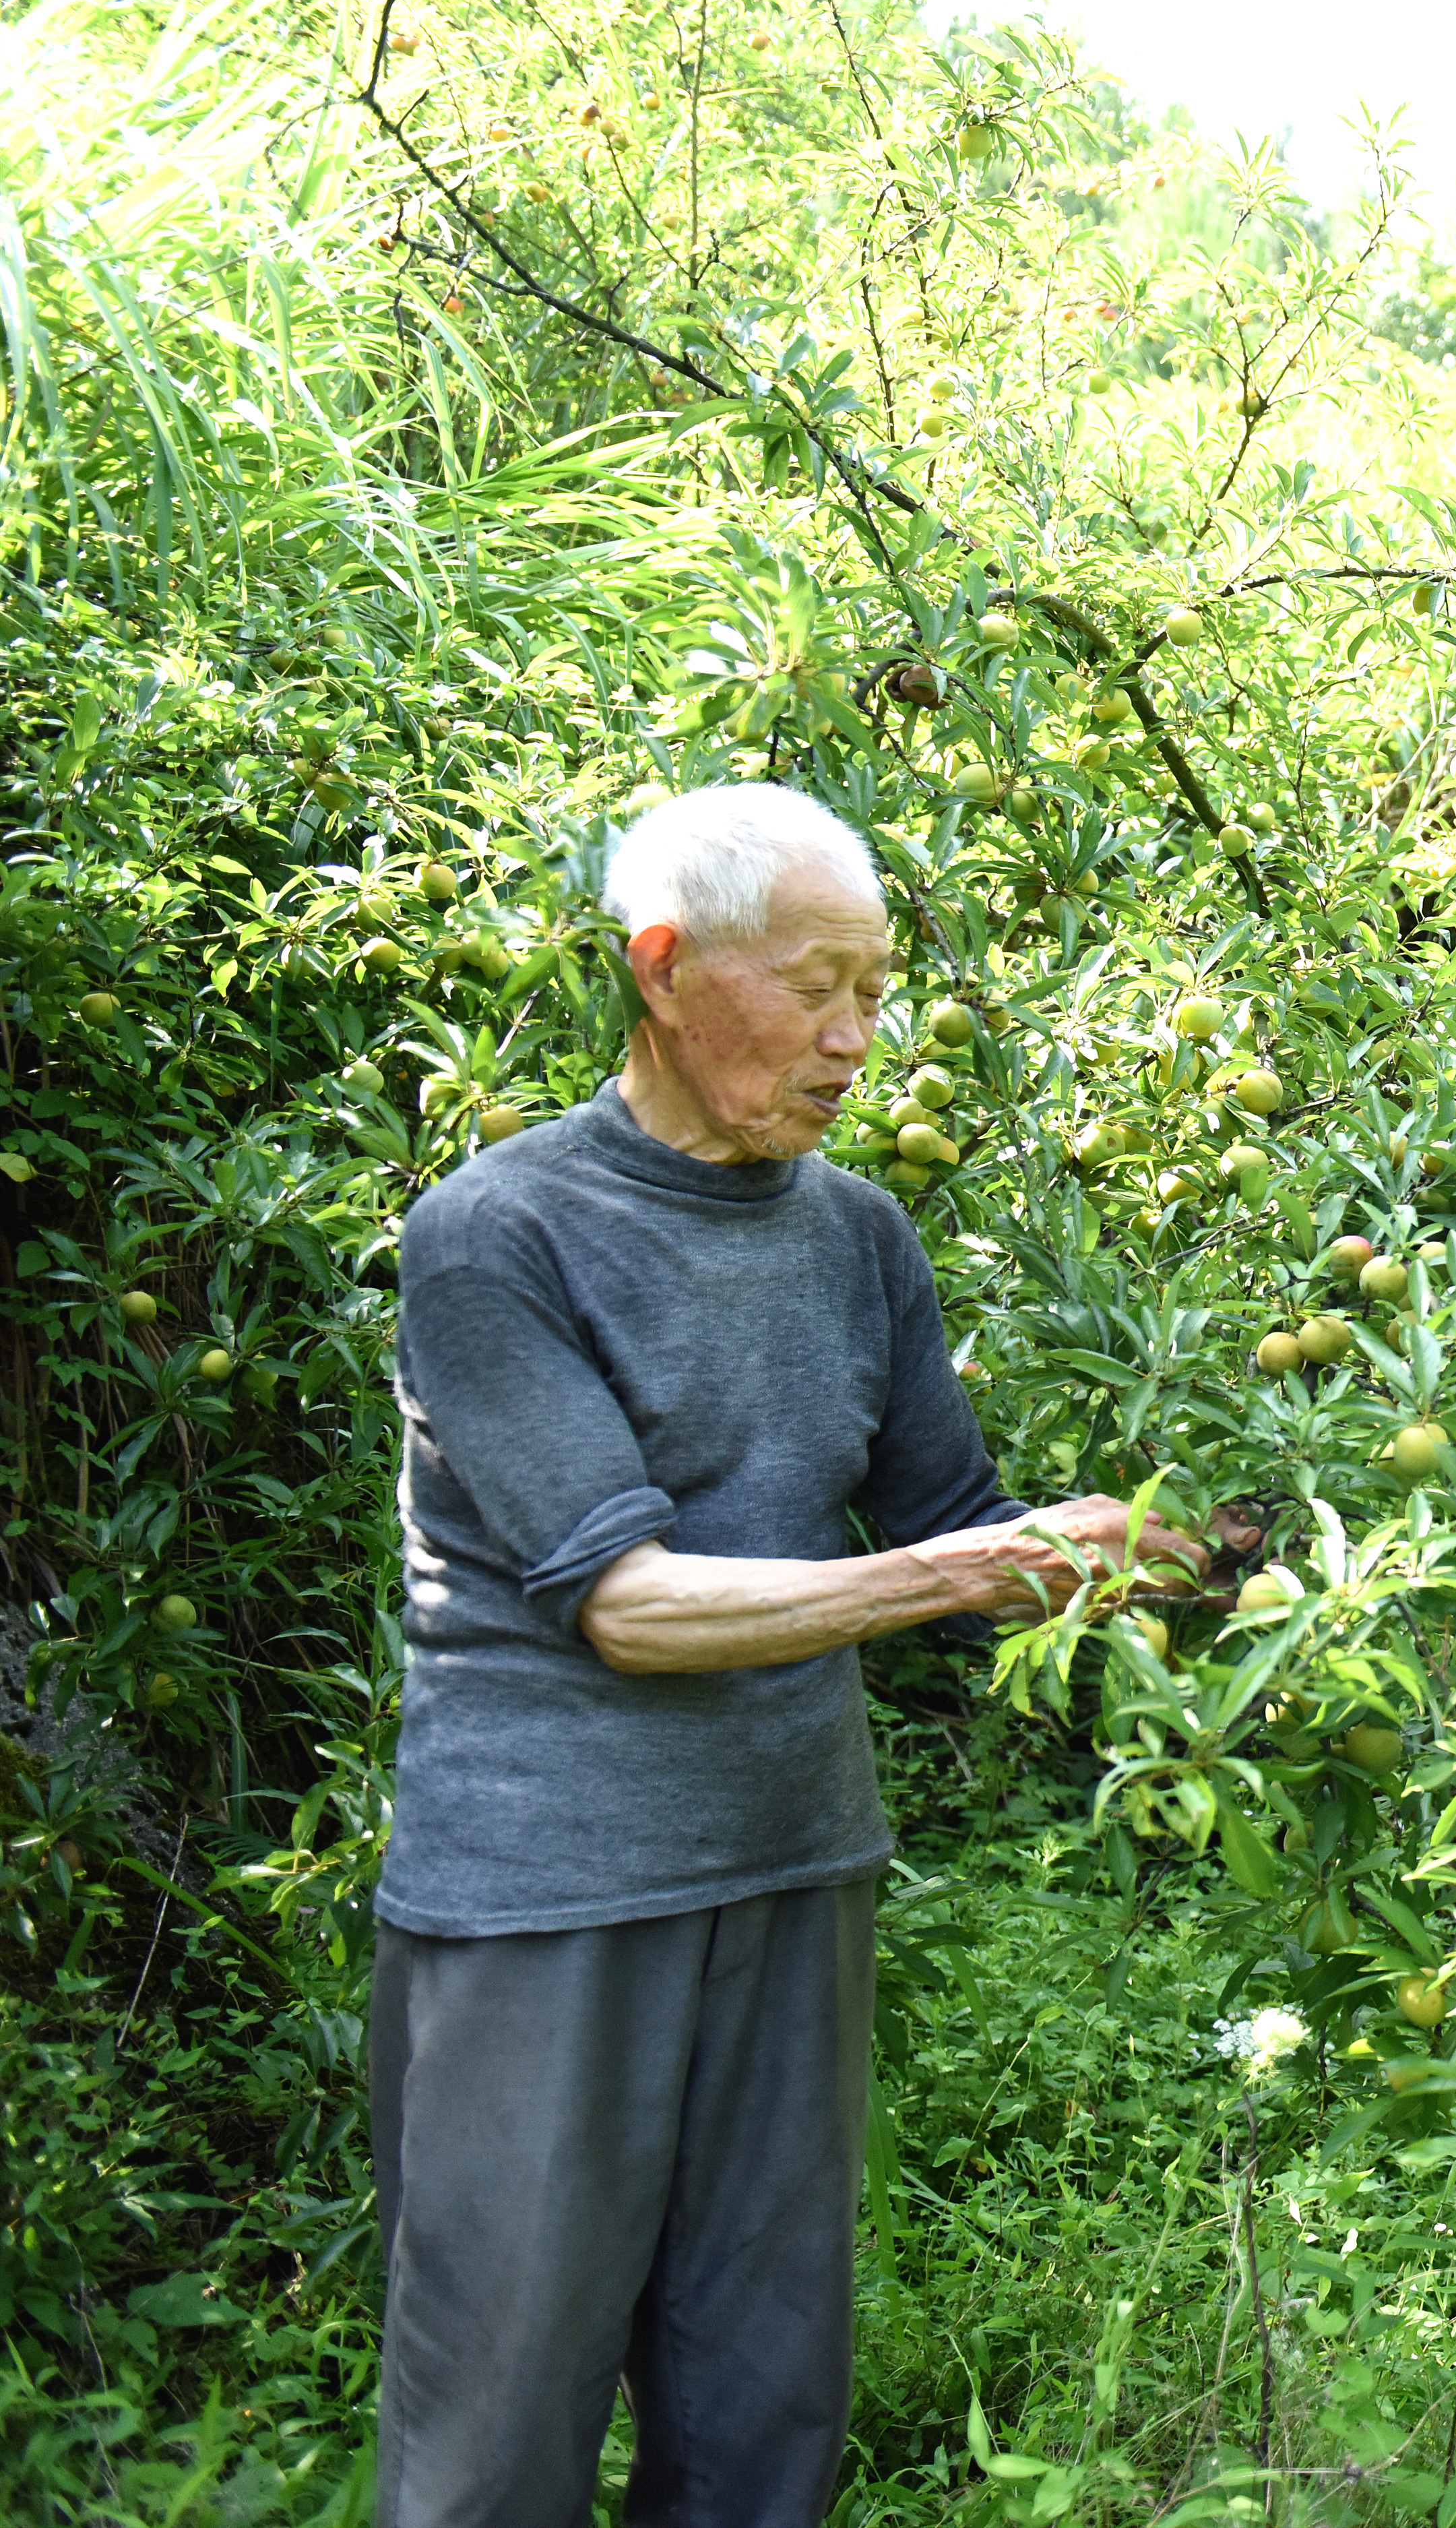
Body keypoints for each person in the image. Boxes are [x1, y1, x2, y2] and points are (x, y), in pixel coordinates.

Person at [372, 782, 1226, 2527]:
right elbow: (630, 1602)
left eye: (878, 987)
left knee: (764, 2416)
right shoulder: (500, 1236)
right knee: (497, 2434)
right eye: (816, 984)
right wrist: (951, 1569)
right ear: (666, 971)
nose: (855, 1039)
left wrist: (1227, 1538)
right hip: (549, 1898)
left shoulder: (858, 1236)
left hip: (795, 1873)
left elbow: (969, 1526)